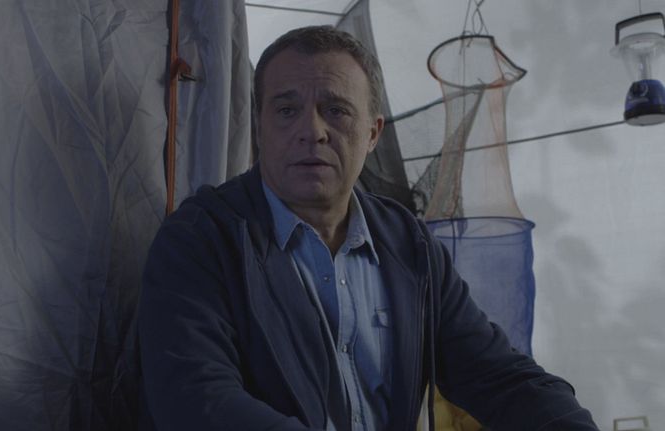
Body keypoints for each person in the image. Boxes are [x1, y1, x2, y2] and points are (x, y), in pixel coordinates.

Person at [139, 25, 598, 431]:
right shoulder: (200, 240)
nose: (312, 130)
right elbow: (196, 401)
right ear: (259, 127)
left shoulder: (411, 245)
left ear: (373, 134)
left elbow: (498, 376)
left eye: (336, 110)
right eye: (286, 110)